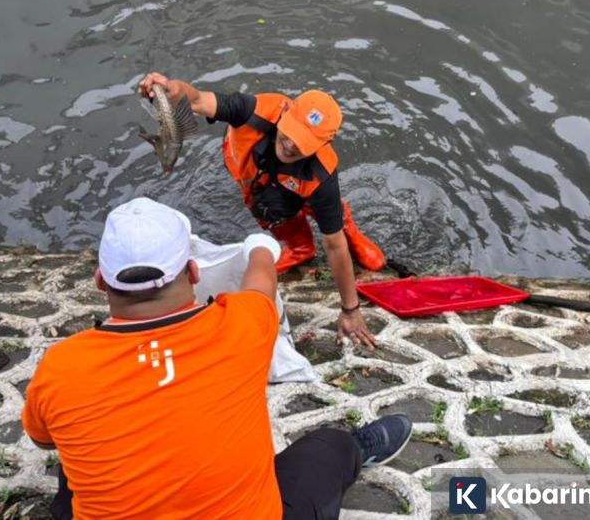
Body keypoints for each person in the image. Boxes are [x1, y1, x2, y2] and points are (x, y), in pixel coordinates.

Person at [22, 197, 412, 520]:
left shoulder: (61, 367)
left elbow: (43, 441)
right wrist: (261, 246)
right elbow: (260, 280)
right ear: (193, 271)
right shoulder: (241, 326)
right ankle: (358, 450)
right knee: (329, 448)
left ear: (101, 280)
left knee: (74, 471)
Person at [139, 73, 384, 348]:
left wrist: (350, 309)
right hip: (262, 180)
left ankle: (342, 219)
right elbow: (196, 99)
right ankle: (302, 248)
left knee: (370, 258)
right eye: (290, 132)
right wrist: (173, 90)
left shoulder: (321, 175)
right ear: (286, 114)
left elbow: (334, 245)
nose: (290, 145)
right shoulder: (253, 111)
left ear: (322, 145)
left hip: (300, 187)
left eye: (303, 143)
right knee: (268, 208)